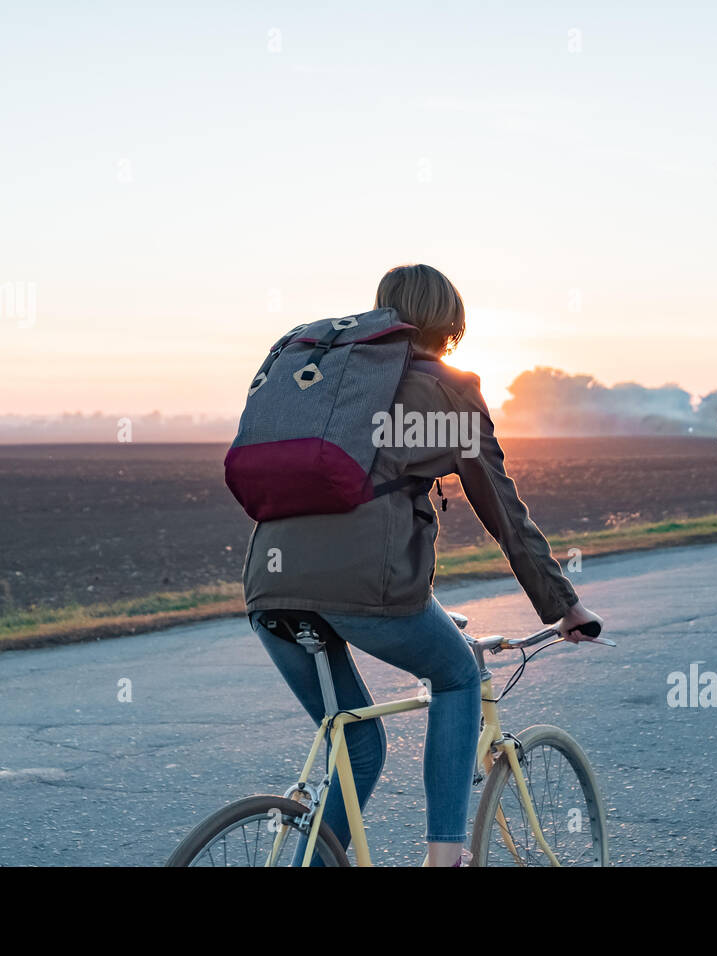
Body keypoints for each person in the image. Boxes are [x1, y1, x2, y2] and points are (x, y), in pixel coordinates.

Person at [242, 263, 604, 866]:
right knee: (459, 676)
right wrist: (564, 606)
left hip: (269, 585)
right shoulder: (448, 387)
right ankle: (445, 855)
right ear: (452, 321)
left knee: (355, 739)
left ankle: (310, 861)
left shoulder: (327, 380)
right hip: (368, 587)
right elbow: (504, 513)